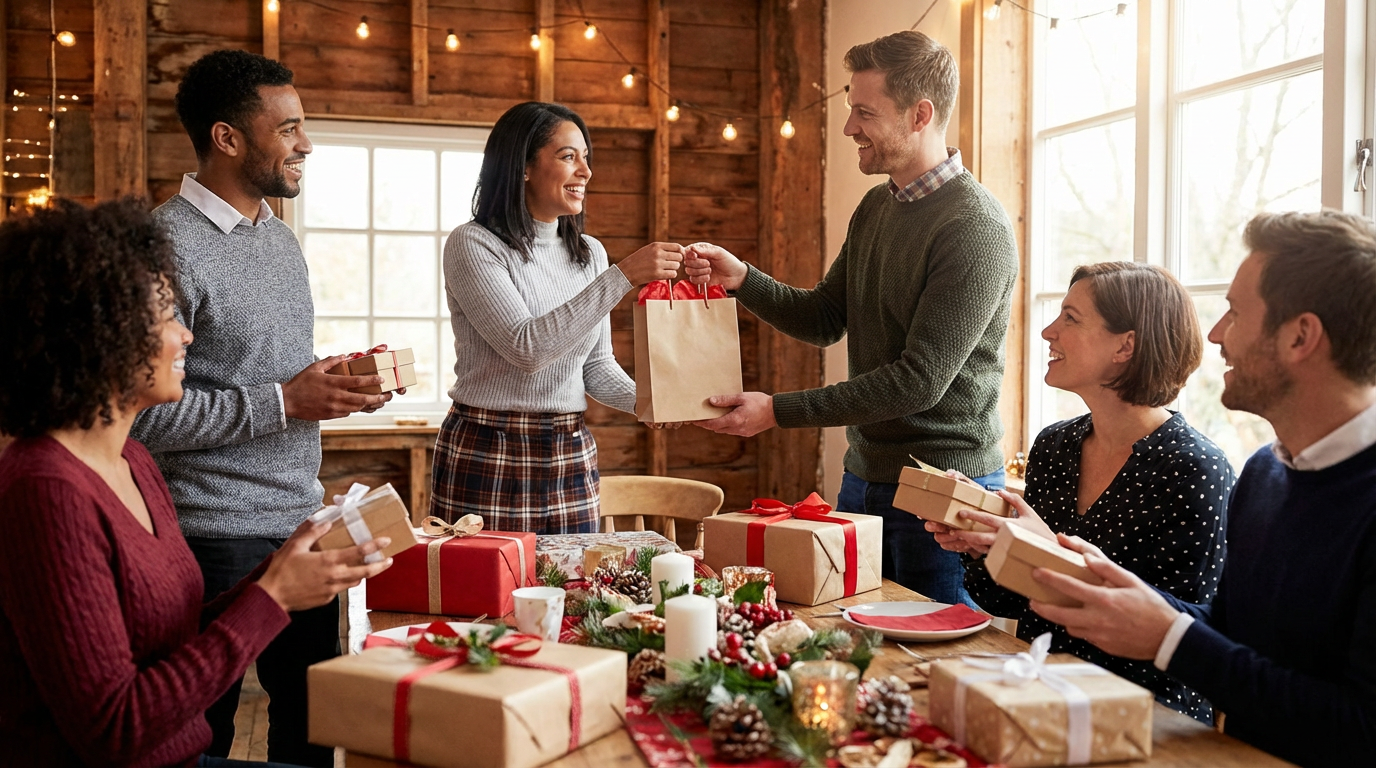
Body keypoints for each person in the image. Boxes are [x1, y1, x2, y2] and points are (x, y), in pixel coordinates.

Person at [0, 199, 393, 768]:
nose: (187, 335)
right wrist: (272, 597)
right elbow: (117, 729)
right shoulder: (44, 492)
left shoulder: (133, 462)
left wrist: (284, 574)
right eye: (166, 315)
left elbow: (173, 643)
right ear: (93, 330)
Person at [1023, 211, 1376, 765]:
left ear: (1300, 336)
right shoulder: (1265, 474)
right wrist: (1112, 588)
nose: (1214, 334)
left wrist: (1170, 637)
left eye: (1236, 313)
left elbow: (1361, 731)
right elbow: (1233, 637)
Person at [683, 30, 1018, 606]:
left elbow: (918, 381)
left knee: (928, 662)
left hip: (942, 493)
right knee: (854, 636)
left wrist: (777, 412)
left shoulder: (975, 227)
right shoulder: (876, 206)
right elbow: (824, 317)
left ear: (920, 114)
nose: (848, 128)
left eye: (864, 112)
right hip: (863, 477)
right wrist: (743, 278)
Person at [128, 50, 392, 766]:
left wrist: (331, 384)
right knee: (193, 738)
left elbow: (266, 380)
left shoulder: (279, 239)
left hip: (299, 526)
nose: (306, 143)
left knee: (313, 734)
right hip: (207, 541)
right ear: (227, 138)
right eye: (290, 128)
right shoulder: (161, 245)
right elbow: (140, 420)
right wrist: (284, 399)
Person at [927, 261, 1233, 722]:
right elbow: (1007, 602)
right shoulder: (1055, 446)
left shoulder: (1195, 470)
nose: (1049, 330)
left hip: (1144, 719)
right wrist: (984, 546)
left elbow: (1183, 643)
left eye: (1071, 318)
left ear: (1125, 346)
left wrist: (1046, 551)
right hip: (1037, 693)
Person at [434, 101, 685, 533]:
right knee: (491, 598)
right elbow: (527, 348)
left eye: (586, 158)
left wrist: (650, 403)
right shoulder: (473, 244)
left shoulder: (590, 253)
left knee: (574, 593)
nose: (585, 171)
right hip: (490, 447)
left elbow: (596, 367)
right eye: (569, 156)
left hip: (569, 449)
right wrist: (622, 277)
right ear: (523, 167)